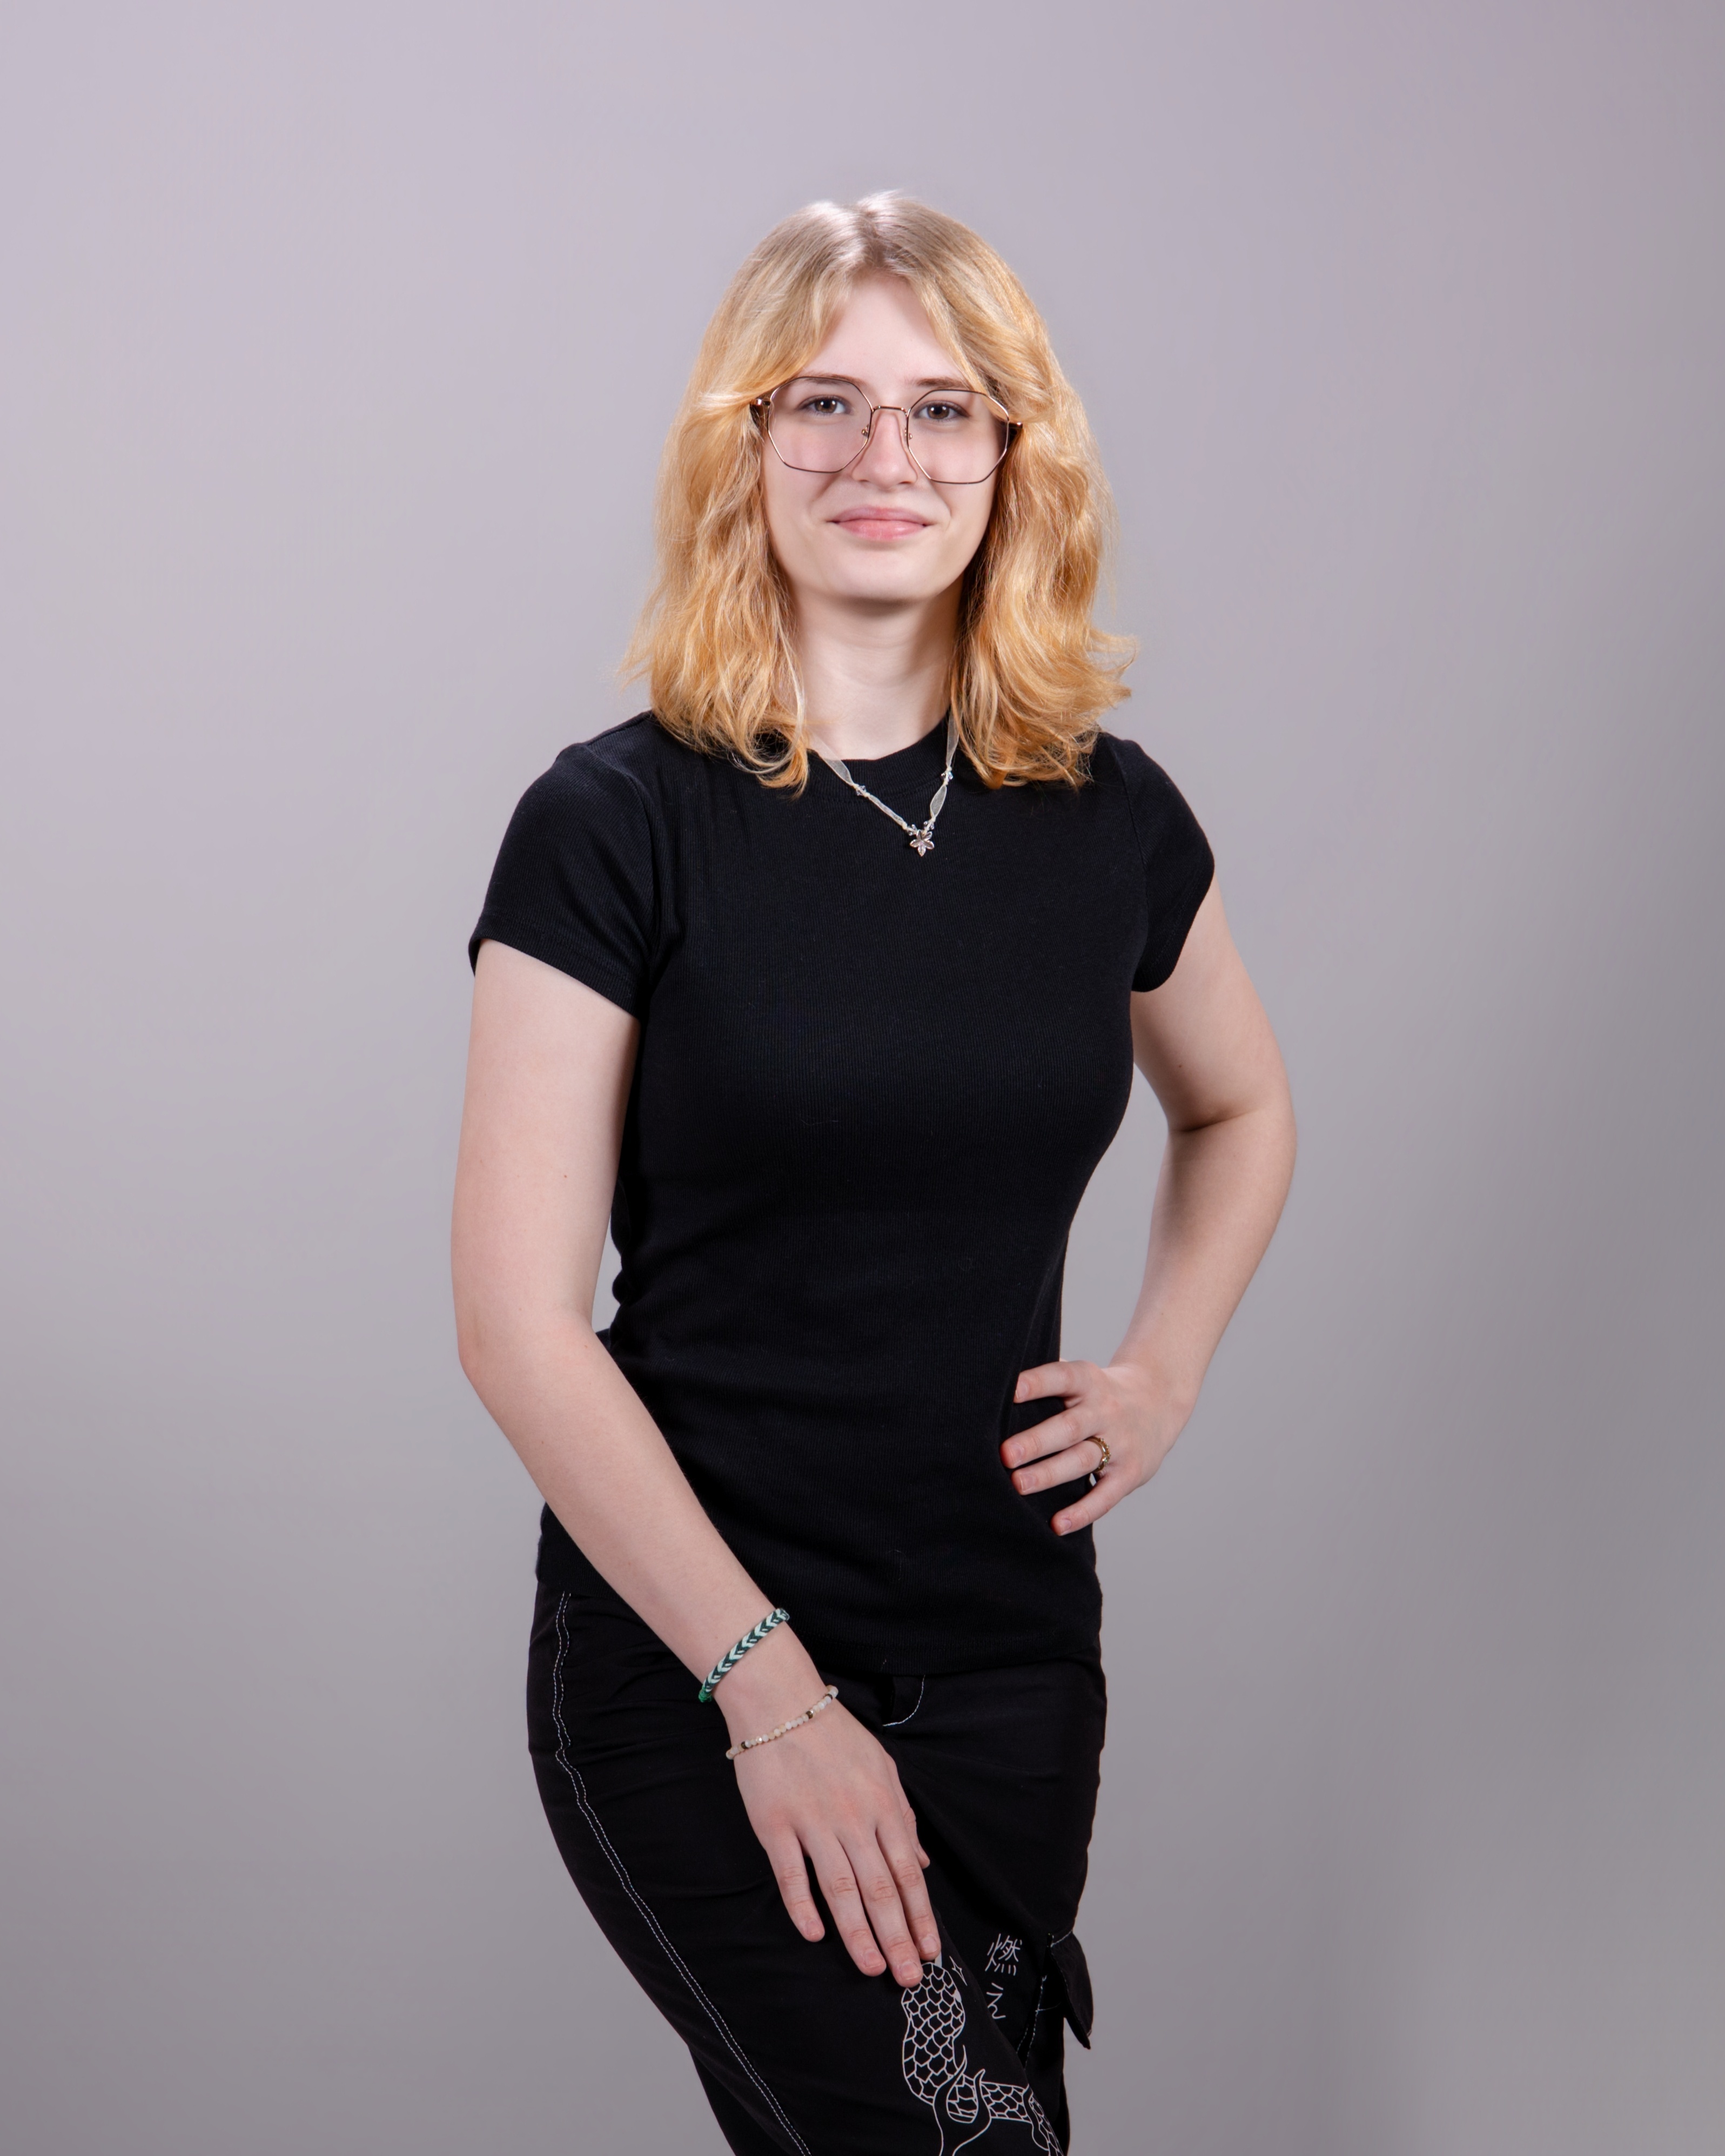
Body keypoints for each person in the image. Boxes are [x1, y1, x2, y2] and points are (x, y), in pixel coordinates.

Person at [452, 192, 1296, 2155]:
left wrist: (1161, 1370)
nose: (880, 456)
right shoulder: (611, 824)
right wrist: (769, 1693)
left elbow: (1240, 1110)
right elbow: (514, 1325)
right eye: (820, 401)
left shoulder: (1106, 815)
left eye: (940, 409)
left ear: (1012, 455)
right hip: (700, 1661)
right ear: (741, 443)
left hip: (1011, 1666)